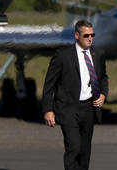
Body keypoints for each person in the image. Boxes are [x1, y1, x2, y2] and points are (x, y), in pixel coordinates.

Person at [42, 19, 108, 170]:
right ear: (77, 35)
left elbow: (103, 77)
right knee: (74, 146)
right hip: (68, 108)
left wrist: (103, 94)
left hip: (89, 108)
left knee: (85, 151)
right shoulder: (62, 55)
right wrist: (48, 109)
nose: (90, 38)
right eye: (86, 36)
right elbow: (49, 84)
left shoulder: (98, 54)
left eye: (92, 35)